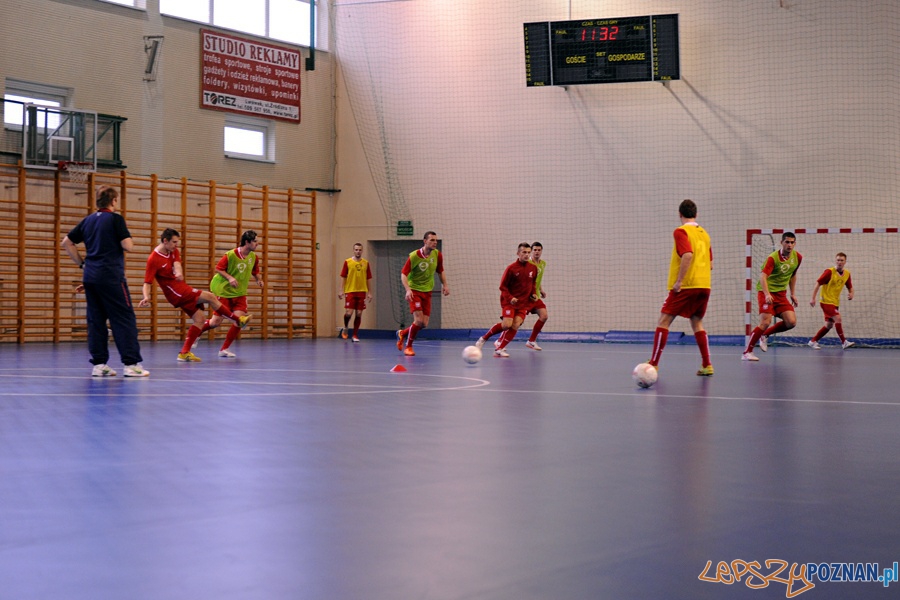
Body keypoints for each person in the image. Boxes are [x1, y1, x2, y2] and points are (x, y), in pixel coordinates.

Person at [61, 186, 149, 377]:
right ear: (114, 200)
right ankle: (131, 364)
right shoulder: (116, 220)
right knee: (124, 318)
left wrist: (83, 265)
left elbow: (66, 242)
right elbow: (128, 246)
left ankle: (99, 365)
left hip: (91, 277)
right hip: (111, 276)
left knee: (96, 320)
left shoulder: (88, 221)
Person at [139, 228, 251, 362]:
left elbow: (177, 263)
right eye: (174, 242)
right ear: (165, 241)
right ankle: (238, 320)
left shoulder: (173, 251)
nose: (176, 245)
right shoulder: (153, 259)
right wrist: (146, 296)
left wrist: (179, 273)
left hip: (182, 288)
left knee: (200, 319)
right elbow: (147, 282)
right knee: (210, 297)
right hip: (175, 293)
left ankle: (184, 353)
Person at [646, 199, 714, 376]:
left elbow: (687, 255)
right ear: (696, 214)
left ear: (679, 214)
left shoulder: (680, 232)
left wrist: (679, 281)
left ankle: (653, 363)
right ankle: (707, 364)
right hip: (704, 285)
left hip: (687, 285)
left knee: (663, 321)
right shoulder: (705, 234)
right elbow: (711, 263)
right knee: (697, 321)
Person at [203, 230, 264, 358]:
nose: (257, 244)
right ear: (247, 242)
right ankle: (195, 333)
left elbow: (254, 271)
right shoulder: (230, 255)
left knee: (239, 321)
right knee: (215, 323)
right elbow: (218, 269)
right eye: (255, 241)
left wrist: (258, 279)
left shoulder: (254, 257)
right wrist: (230, 278)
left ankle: (224, 349)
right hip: (224, 291)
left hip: (240, 293)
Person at [742, 231, 802, 361]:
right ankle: (747, 352)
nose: (789, 245)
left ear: (795, 244)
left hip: (781, 294)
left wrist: (793, 293)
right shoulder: (773, 258)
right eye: (787, 242)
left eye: (792, 242)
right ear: (781, 243)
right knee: (765, 322)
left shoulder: (798, 257)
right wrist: (767, 294)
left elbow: (793, 275)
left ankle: (765, 335)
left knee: (791, 322)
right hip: (766, 292)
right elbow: (763, 277)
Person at [475, 243, 538, 358]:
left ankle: (500, 348)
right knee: (506, 325)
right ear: (518, 253)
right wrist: (511, 298)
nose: (527, 255)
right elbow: (502, 287)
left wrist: (533, 294)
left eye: (529, 252)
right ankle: (484, 338)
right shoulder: (511, 268)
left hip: (523, 303)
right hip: (509, 302)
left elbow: (533, 284)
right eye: (524, 252)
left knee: (515, 325)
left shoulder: (533, 268)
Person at [397, 231, 450, 356]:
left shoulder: (437, 255)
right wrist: (408, 290)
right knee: (418, 320)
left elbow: (440, 271)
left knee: (424, 324)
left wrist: (445, 285)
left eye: (436, 240)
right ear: (425, 241)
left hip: (427, 291)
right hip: (415, 291)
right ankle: (408, 347)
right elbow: (403, 274)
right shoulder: (414, 256)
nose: (435, 242)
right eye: (432, 240)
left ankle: (402, 333)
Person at [808, 252, 855, 349]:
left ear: (845, 262)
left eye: (842, 260)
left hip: (835, 302)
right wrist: (813, 298)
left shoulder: (847, 274)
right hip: (826, 301)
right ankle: (844, 342)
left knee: (829, 325)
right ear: (835, 261)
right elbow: (818, 283)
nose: (839, 262)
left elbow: (850, 287)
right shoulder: (829, 272)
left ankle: (813, 341)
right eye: (838, 260)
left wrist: (851, 293)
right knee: (838, 318)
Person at [338, 242, 372, 342]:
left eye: (360, 250)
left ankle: (355, 335)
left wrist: (369, 292)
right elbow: (343, 276)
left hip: (361, 291)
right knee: (349, 313)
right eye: (356, 250)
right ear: (353, 250)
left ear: (362, 251)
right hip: (350, 290)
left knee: (359, 313)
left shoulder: (365, 263)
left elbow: (368, 278)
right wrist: (341, 290)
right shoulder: (348, 262)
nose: (358, 251)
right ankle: (345, 327)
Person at [525, 241, 549, 350]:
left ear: (542, 251)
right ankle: (500, 340)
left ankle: (531, 340)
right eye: (535, 250)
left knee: (544, 316)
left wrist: (541, 289)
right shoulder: (528, 264)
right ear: (531, 251)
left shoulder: (543, 263)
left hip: (536, 296)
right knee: (516, 322)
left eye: (539, 250)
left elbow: (536, 280)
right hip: (526, 297)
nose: (537, 252)